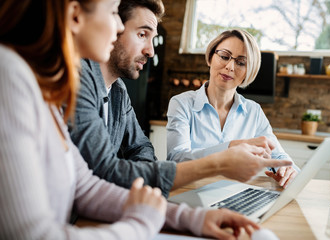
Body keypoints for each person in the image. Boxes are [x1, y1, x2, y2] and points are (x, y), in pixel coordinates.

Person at [0, 1, 262, 239]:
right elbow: (35, 233)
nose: (116, 26)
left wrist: (191, 218)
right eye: (113, 11)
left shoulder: (47, 88)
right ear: (75, 15)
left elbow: (88, 186)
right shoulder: (11, 76)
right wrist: (142, 222)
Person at [68, 0, 293, 198]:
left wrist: (287, 168)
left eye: (241, 62)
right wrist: (224, 156)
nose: (150, 51)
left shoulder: (118, 91)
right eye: (142, 34)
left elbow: (140, 148)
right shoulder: (79, 78)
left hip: (230, 195)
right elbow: (106, 170)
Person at [167, 29, 299, 188]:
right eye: (224, 56)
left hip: (236, 194)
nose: (230, 66)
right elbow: (176, 160)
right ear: (210, 58)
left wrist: (286, 169)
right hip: (191, 193)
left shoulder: (253, 111)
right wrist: (230, 148)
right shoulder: (181, 104)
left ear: (248, 72)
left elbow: (277, 155)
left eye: (241, 62)